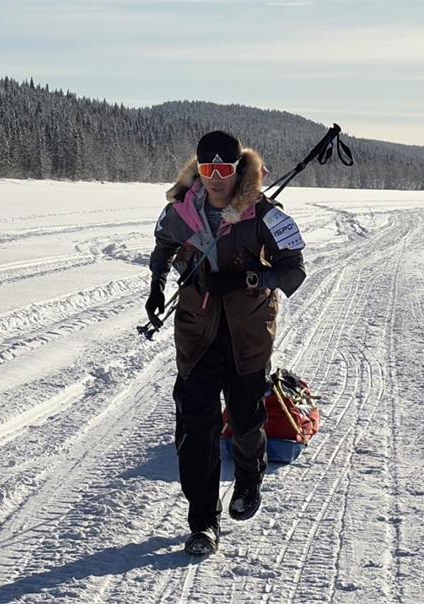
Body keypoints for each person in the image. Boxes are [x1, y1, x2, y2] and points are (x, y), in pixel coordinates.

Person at [147, 130, 306, 555]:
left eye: (225, 169)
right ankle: (202, 523)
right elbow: (162, 247)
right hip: (197, 333)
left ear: (238, 170)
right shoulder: (181, 211)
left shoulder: (265, 214)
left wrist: (247, 278)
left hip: (247, 334)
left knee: (245, 417)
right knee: (196, 428)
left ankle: (250, 475)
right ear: (198, 168)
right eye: (208, 168)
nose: (216, 178)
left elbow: (293, 272)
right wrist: (156, 286)